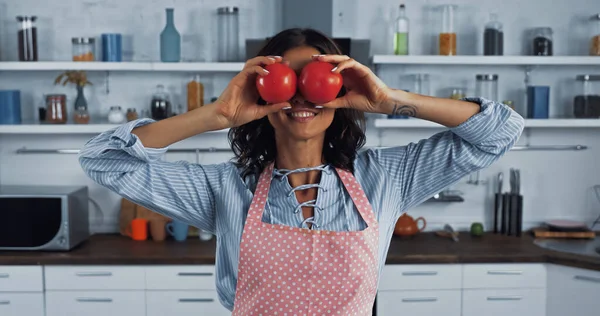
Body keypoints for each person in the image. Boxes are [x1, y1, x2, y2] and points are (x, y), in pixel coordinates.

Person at [79, 28, 524, 315]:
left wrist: (388, 100)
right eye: (286, 80)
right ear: (261, 92)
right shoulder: (224, 188)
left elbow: (501, 131)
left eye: (315, 78)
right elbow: (102, 159)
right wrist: (217, 115)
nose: (301, 97)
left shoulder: (387, 177)